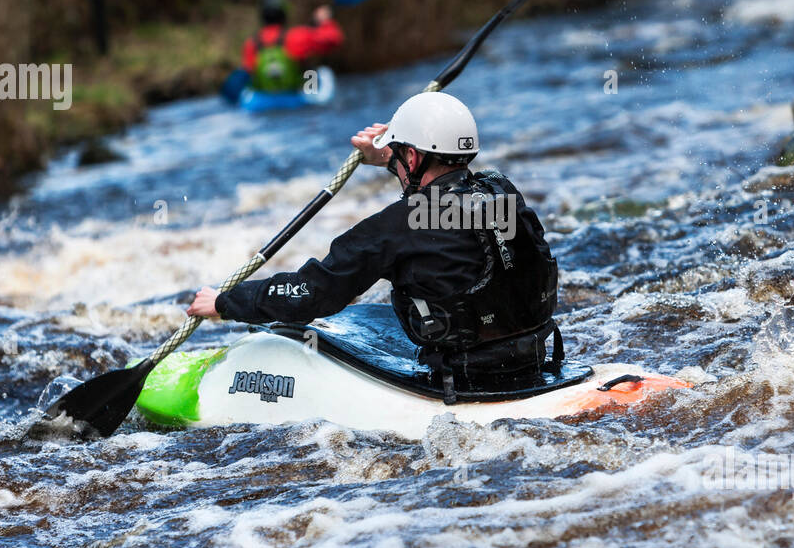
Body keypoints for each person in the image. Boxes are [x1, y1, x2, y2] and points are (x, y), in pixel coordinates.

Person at [186, 92, 562, 398]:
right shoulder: (502, 191)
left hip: (464, 381)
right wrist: (391, 153)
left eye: (400, 159)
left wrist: (226, 301)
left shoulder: (395, 226)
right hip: (533, 362)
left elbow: (314, 294)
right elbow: (445, 200)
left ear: (411, 158)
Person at [243, 0, 345, 93]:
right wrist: (324, 20)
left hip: (261, 100)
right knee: (318, 71)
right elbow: (334, 39)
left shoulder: (251, 43)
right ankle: (311, 91)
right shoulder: (297, 36)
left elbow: (248, 72)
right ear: (284, 14)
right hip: (295, 96)